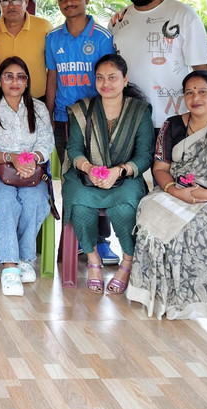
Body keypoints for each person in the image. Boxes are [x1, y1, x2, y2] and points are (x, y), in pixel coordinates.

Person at [127, 71, 207, 325]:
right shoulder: (172, 125)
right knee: (151, 210)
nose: (195, 97)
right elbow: (160, 169)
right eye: (189, 93)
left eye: (203, 92)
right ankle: (164, 297)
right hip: (175, 191)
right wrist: (175, 191)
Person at [60, 54, 154, 295]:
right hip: (85, 175)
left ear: (125, 80)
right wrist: (90, 169)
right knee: (80, 206)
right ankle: (93, 260)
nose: (105, 83)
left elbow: (145, 155)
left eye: (112, 77)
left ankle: (127, 262)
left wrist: (119, 171)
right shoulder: (83, 109)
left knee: (124, 209)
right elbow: (74, 149)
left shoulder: (139, 111)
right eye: (100, 77)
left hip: (125, 177)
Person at [45, 0, 117, 265]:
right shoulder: (53, 38)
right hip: (64, 119)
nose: (69, 2)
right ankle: (76, 241)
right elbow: (52, 77)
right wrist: (49, 114)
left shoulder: (102, 37)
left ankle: (101, 243)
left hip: (97, 121)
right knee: (72, 178)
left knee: (100, 176)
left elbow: (112, 79)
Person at [0, 57, 53, 296]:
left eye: (21, 76)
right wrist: (12, 158)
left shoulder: (37, 109)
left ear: (27, 82)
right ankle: (9, 267)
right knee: (7, 198)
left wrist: (29, 161)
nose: (14, 81)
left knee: (35, 199)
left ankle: (25, 258)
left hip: (30, 172)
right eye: (8, 76)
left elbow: (46, 143)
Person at [109, 0, 207, 131]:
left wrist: (203, 113)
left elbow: (201, 70)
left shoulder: (184, 15)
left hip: (174, 118)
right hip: (130, 119)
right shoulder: (118, 21)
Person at [0, 0, 52, 99]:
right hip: (1, 100)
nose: (11, 6)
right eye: (5, 2)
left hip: (37, 99)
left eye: (16, 1)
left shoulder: (44, 27)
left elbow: (53, 69)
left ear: (26, 2)